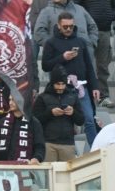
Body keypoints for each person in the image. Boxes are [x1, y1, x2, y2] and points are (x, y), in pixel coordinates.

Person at [42, 11, 99, 145]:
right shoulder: (51, 42)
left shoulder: (81, 41)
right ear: (58, 26)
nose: (68, 29)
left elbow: (89, 66)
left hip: (80, 87)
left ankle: (95, 149)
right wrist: (62, 58)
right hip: (62, 88)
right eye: (65, 26)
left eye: (71, 26)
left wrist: (95, 86)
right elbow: (45, 65)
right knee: (65, 120)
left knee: (89, 119)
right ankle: (68, 149)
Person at [72, 0, 115, 108]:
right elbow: (74, 9)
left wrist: (112, 16)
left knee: (103, 66)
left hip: (105, 31)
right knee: (88, 65)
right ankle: (86, 94)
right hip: (87, 34)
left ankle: (104, 96)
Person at [33, 65, 84, 162]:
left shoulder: (73, 97)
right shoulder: (42, 97)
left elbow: (81, 120)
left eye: (63, 84)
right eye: (57, 84)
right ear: (52, 83)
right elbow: (35, 120)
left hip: (68, 144)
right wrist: (50, 113)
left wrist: (73, 112)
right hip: (48, 143)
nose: (60, 87)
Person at [0, 95, 46, 164]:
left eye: (14, 100)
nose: (10, 103)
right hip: (3, 167)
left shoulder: (34, 122)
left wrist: (36, 158)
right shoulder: (3, 122)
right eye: (10, 100)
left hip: (25, 167)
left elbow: (40, 146)